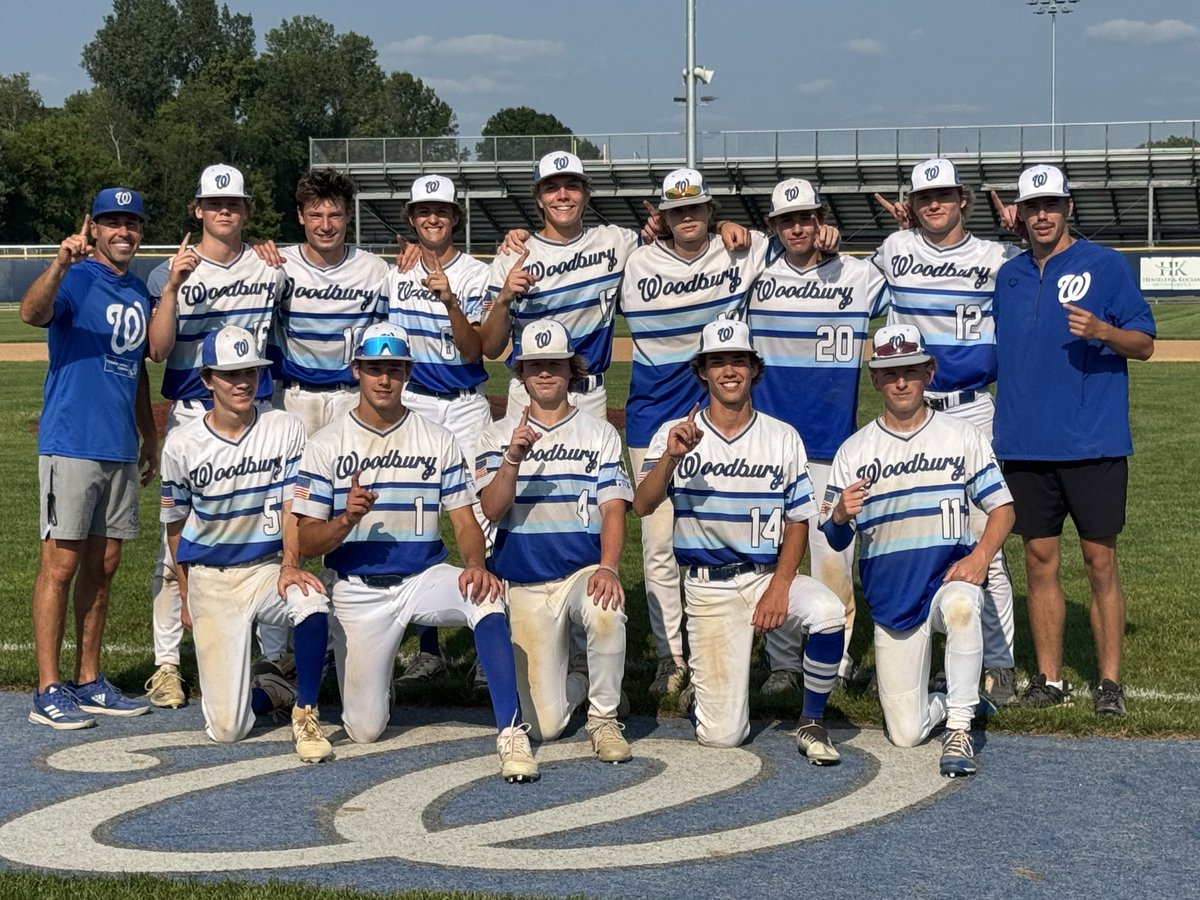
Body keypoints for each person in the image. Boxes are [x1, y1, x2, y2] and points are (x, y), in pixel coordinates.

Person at [292, 323, 540, 783]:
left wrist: (475, 565)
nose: (384, 379)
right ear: (357, 371)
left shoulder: (437, 437)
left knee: (485, 595)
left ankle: (511, 731)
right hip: (357, 589)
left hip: (423, 577)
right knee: (365, 729)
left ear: (408, 373)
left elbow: (464, 520)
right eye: (374, 369)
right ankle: (365, 682)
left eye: (394, 369)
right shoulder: (327, 443)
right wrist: (346, 520)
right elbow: (306, 543)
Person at [633, 319, 846, 763]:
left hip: (767, 575)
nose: (729, 371)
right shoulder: (676, 434)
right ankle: (700, 694)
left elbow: (798, 520)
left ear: (754, 369)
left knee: (828, 613)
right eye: (718, 362)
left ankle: (811, 720)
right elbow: (642, 504)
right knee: (723, 736)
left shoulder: (782, 436)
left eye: (738, 361)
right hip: (709, 586)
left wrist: (780, 586)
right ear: (702, 371)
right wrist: (671, 458)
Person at [992, 164, 1156, 716]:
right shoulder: (1008, 276)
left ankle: (1108, 684)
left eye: (1052, 205)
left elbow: (1145, 343)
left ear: (1068, 207)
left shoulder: (1105, 264)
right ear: (1020, 214)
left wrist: (1104, 331)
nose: (1043, 215)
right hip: (1023, 442)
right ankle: (1050, 679)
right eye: (1032, 207)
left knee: (1099, 562)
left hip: (1093, 441)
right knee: (1039, 559)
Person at [821, 324, 1015, 777]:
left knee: (964, 605)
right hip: (893, 599)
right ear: (875, 379)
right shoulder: (854, 450)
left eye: (910, 370)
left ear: (929, 372)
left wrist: (980, 557)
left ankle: (960, 728)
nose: (901, 382)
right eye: (890, 373)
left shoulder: (961, 435)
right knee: (906, 733)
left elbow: (1003, 509)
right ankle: (955, 700)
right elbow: (834, 539)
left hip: (947, 579)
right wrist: (840, 515)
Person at [621, 168, 779, 697]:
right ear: (662, 216)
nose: (687, 216)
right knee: (658, 543)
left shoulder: (742, 250)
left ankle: (757, 644)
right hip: (653, 416)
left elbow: (798, 241)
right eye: (676, 210)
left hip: (722, 413)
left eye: (696, 207)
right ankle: (670, 656)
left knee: (741, 534)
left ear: (711, 211)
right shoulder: (633, 259)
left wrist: (825, 232)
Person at [871, 158, 1021, 705]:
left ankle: (999, 662)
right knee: (915, 536)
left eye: (944, 194)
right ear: (912, 204)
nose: (935, 203)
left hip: (971, 408)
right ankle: (921, 657)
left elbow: (1044, 272)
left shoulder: (996, 256)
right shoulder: (895, 249)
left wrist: (1022, 234)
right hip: (911, 409)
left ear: (963, 200)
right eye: (924, 196)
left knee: (986, 540)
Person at [144, 163, 288, 710]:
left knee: (270, 536)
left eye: (233, 203)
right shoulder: (169, 271)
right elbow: (158, 350)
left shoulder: (271, 267)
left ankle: (273, 661)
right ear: (198, 210)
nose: (224, 211)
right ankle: (167, 665)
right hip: (191, 413)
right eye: (214, 203)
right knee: (176, 542)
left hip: (256, 414)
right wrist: (174, 286)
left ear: (246, 210)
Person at [159, 325, 331, 762]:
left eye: (249, 372)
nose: (242, 383)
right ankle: (272, 691)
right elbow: (175, 526)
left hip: (266, 569)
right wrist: (185, 593)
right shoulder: (181, 444)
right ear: (207, 380)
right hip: (211, 580)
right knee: (228, 729)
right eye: (230, 374)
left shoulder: (284, 426)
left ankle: (305, 710)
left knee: (311, 601)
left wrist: (291, 564)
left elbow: (293, 504)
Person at [21, 188, 157, 728]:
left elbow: (138, 369)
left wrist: (148, 434)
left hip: (118, 446)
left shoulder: (138, 292)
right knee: (60, 565)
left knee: (104, 566)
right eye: (112, 222)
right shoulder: (76, 277)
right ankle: (47, 687)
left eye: (132, 222)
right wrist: (59, 263)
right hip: (72, 443)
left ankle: (89, 678)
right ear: (94, 227)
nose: (123, 231)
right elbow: (32, 312)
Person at [747, 178, 887, 694]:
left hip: (833, 441)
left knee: (833, 560)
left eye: (806, 217)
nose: (798, 228)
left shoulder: (858, 274)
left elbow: (911, 271)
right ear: (774, 227)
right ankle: (783, 662)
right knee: (774, 556)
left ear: (820, 219)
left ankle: (836, 661)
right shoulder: (755, 274)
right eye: (787, 220)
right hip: (772, 442)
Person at [476, 319, 633, 763]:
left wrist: (609, 567)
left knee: (605, 608)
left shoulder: (599, 432)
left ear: (571, 370)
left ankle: (604, 717)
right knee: (545, 726)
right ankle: (582, 679)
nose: (545, 373)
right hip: (524, 583)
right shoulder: (495, 435)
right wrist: (512, 458)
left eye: (555, 365)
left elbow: (614, 508)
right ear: (522, 374)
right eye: (535, 366)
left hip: (582, 572)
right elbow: (491, 509)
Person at [380, 175, 492, 688]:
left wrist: (450, 300)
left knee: (483, 517)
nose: (432, 219)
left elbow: (475, 351)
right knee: (416, 516)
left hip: (465, 405)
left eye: (441, 211)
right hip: (414, 401)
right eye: (424, 211)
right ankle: (428, 650)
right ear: (412, 219)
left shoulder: (476, 274)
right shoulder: (394, 274)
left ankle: (489, 638)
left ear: (455, 217)